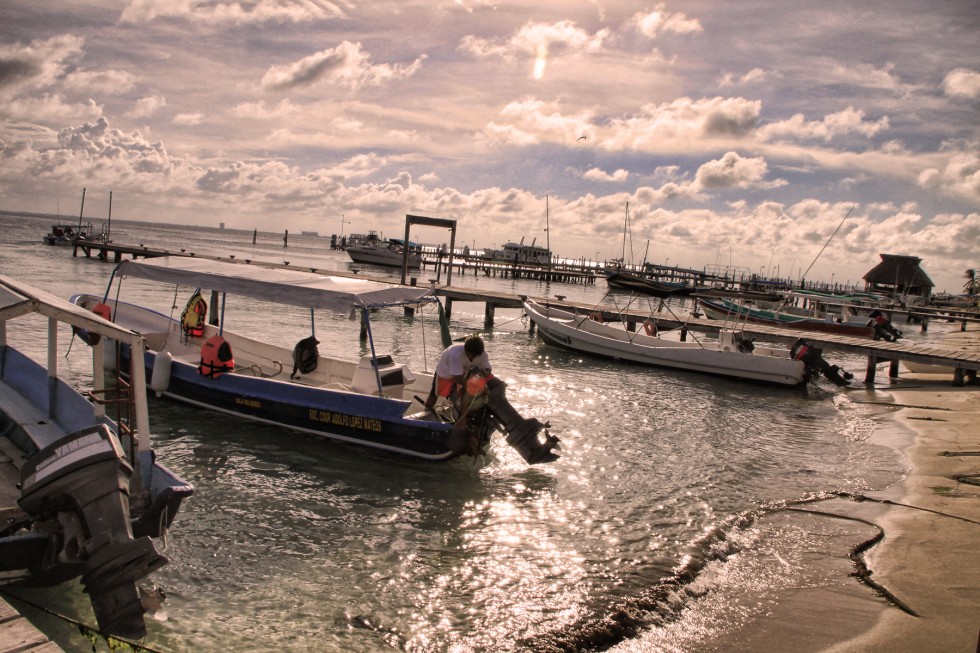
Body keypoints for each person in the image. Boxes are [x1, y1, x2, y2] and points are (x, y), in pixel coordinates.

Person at [425, 335, 560, 464]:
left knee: (469, 393)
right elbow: (458, 378)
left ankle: (466, 424)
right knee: (436, 393)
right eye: (470, 355)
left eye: (475, 356)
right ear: (465, 350)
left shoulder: (482, 355)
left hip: (467, 374)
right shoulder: (455, 355)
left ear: (480, 353)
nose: (472, 358)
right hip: (446, 373)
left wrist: (483, 375)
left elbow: (487, 369)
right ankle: (427, 412)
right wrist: (474, 386)